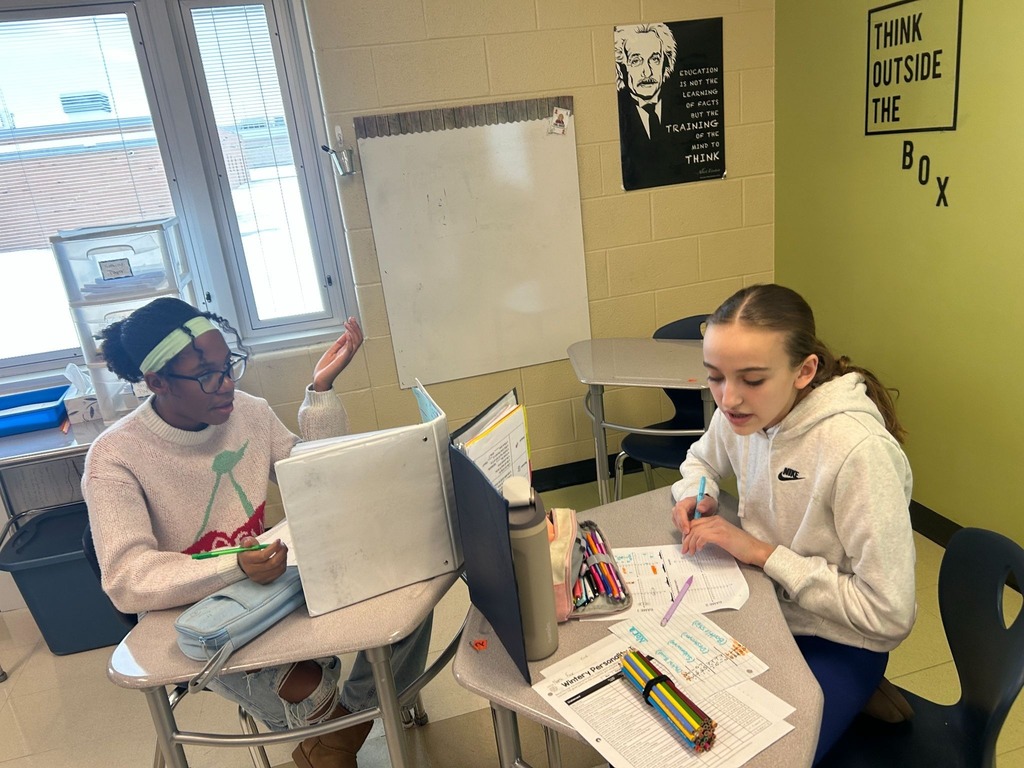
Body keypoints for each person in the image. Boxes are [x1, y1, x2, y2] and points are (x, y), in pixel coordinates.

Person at [82, 297, 431, 768]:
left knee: (412, 590)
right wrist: (233, 565)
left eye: (229, 366)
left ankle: (337, 738)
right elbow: (126, 578)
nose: (225, 385)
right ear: (156, 382)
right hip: (197, 621)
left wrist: (320, 390)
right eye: (207, 375)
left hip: (271, 585)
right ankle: (338, 739)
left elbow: (317, 482)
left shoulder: (249, 412)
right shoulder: (115, 456)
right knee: (312, 691)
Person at [670, 284, 916, 764]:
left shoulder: (858, 452)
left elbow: (889, 615)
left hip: (837, 639)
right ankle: (858, 702)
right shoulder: (741, 413)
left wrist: (761, 553)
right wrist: (697, 497)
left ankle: (861, 691)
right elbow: (699, 461)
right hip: (766, 611)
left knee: (751, 756)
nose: (729, 398)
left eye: (752, 379)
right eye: (715, 377)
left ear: (805, 371)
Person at [614, 22, 683, 189]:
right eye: (636, 60)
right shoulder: (618, 115)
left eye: (655, 59)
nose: (648, 71)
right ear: (621, 68)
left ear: (666, 64)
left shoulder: (683, 107)